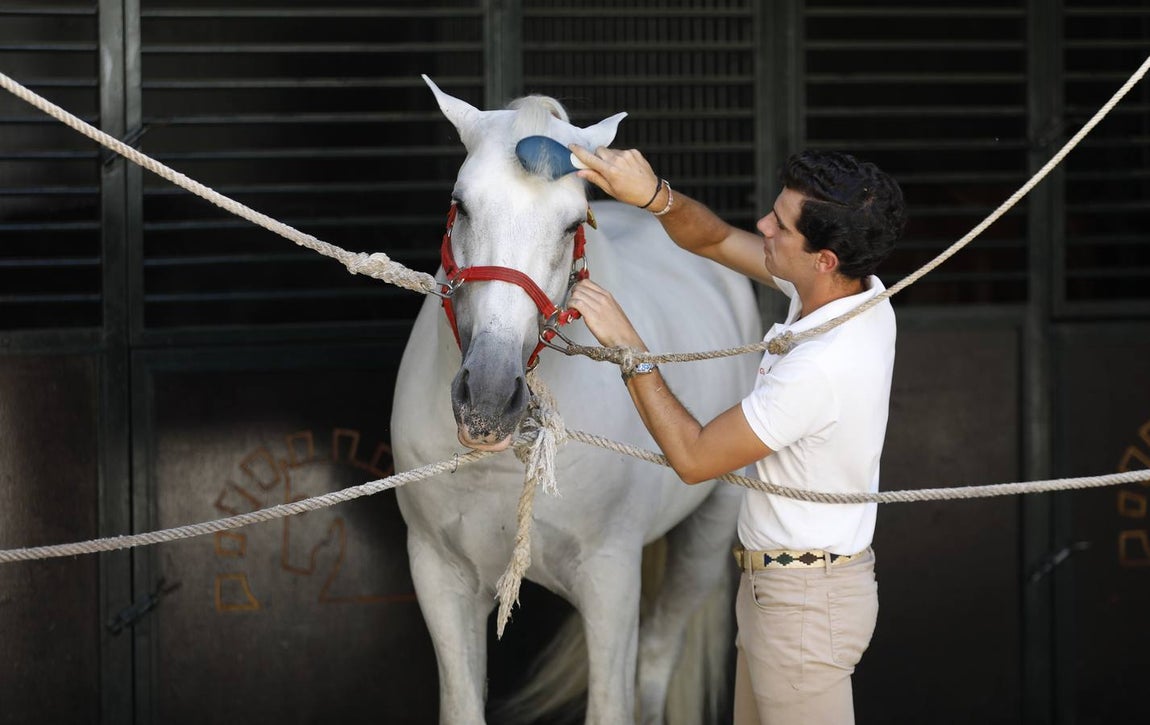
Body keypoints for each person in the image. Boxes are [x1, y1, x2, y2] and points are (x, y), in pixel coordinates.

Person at [566, 145, 906, 725]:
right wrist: (653, 196)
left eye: (780, 224)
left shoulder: (821, 366)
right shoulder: (848, 292)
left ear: (823, 258)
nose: (763, 225)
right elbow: (716, 240)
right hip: (781, 593)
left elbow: (695, 458)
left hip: (804, 606)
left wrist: (628, 345)